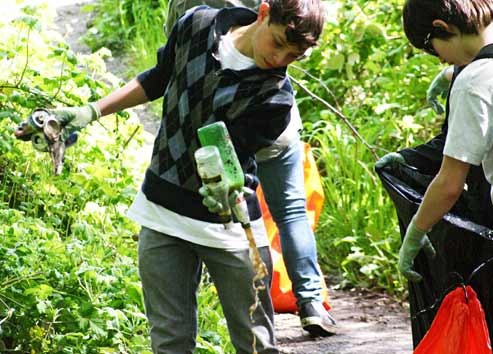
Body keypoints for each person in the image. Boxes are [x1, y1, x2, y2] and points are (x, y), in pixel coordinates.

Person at [14, 0, 325, 352]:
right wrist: (91, 111)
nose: (280, 58)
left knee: (255, 344)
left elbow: (229, 158)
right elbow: (158, 78)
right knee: (169, 343)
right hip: (161, 212)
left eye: (293, 55)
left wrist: (223, 189)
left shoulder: (275, 99)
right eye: (279, 42)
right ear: (264, 12)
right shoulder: (197, 24)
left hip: (228, 229)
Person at [164, 0, 336, 338]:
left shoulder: (191, 12)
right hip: (275, 124)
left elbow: (177, 62)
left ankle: (231, 299)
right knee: (289, 211)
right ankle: (311, 301)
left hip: (226, 123)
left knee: (231, 205)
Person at [378, 0, 493, 282]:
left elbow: (449, 183)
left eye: (432, 49)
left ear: (441, 27)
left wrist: (415, 233)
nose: (441, 60)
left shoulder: (475, 81)